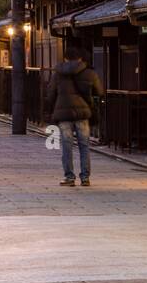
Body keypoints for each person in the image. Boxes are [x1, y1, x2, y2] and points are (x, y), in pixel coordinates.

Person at [44, 46, 104, 186]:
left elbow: (51, 94)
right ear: (80, 58)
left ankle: (69, 177)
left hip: (63, 114)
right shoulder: (89, 73)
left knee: (67, 146)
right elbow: (99, 92)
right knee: (84, 145)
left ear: (65, 58)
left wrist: (52, 110)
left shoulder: (57, 74)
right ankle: (85, 177)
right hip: (83, 114)